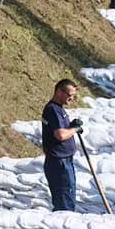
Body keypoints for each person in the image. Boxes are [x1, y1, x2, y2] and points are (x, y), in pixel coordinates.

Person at [42, 79, 83, 212]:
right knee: (65, 205)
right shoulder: (53, 110)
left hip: (63, 162)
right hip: (59, 164)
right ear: (59, 91)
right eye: (69, 95)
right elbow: (60, 135)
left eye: (73, 96)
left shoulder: (58, 109)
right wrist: (75, 130)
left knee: (67, 200)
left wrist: (71, 125)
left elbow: (61, 129)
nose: (71, 98)